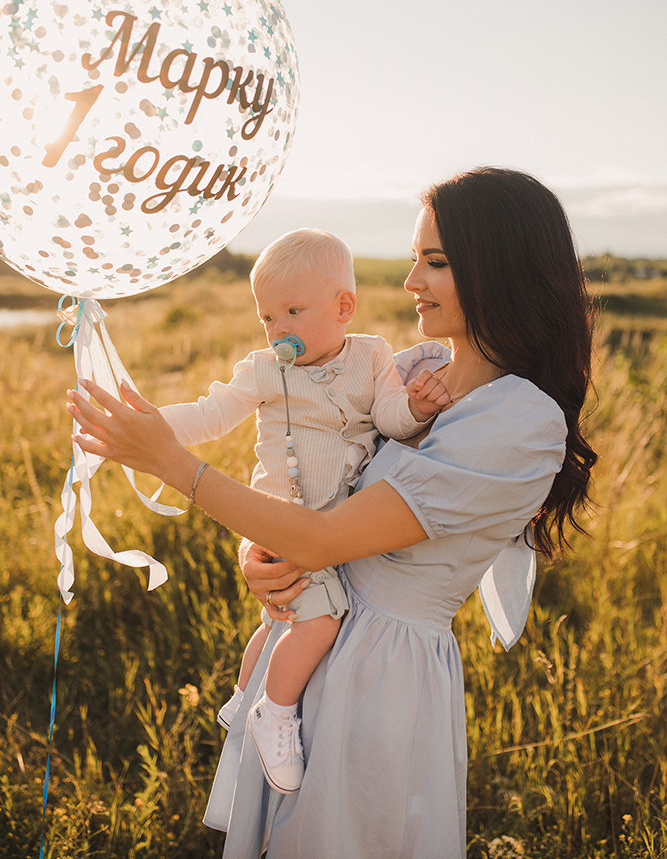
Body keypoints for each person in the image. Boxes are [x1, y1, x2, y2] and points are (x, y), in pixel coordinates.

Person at [67, 167, 597, 859]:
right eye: (413, 259)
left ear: (500, 268)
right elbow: (320, 499)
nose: (410, 283)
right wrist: (261, 555)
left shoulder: (517, 418)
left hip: (378, 676)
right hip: (311, 635)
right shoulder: (410, 370)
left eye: (434, 262)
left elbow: (325, 538)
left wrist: (173, 463)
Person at [158, 227, 450, 792]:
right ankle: (275, 710)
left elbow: (390, 418)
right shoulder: (265, 369)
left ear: (344, 307)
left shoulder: (372, 355)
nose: (278, 329)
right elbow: (211, 414)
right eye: (267, 317)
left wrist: (412, 406)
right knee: (318, 621)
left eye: (292, 310)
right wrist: (152, 427)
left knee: (280, 619)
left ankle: (244, 698)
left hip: (335, 523)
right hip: (286, 518)